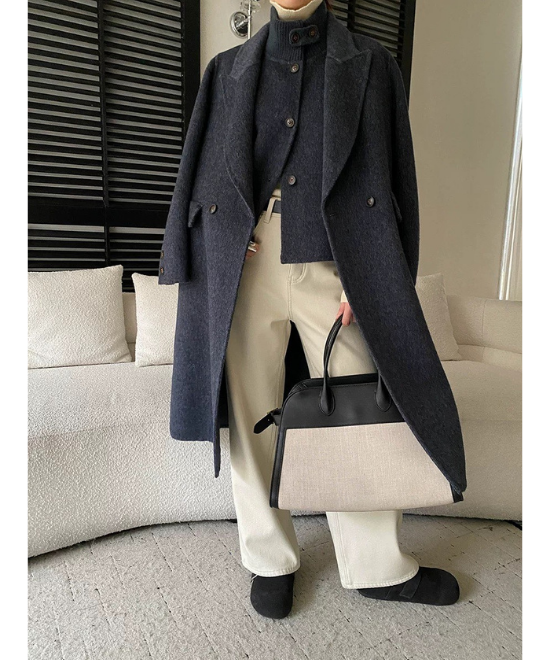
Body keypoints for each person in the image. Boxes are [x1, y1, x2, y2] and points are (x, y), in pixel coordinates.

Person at [158, 0, 466, 619]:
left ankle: (376, 566)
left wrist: (378, 274)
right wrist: (207, 247)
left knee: (359, 414)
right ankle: (269, 559)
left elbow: (396, 180)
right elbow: (201, 171)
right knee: (250, 413)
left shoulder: (371, 63)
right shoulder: (227, 69)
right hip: (246, 263)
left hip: (338, 264)